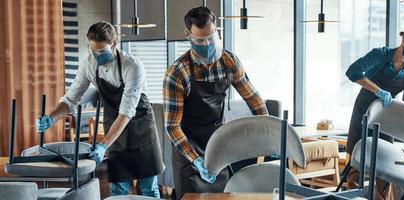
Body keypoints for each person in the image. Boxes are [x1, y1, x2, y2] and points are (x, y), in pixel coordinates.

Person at [35, 21, 164, 197]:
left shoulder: (133, 66)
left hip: (141, 127)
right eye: (93, 51)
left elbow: (126, 112)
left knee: (149, 189)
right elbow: (71, 98)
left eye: (102, 52)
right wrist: (51, 118)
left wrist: (103, 146)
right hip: (115, 129)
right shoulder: (88, 65)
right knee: (118, 188)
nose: (97, 56)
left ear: (114, 45)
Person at [163, 6, 268, 199]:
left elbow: (253, 99)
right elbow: (172, 127)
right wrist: (196, 161)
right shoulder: (178, 73)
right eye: (200, 41)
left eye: (211, 38)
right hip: (188, 148)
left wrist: (269, 131)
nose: (208, 44)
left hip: (218, 144)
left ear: (217, 30)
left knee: (222, 197)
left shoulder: (229, 62)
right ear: (188, 36)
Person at [345, 28, 404, 200]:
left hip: (387, 119)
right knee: (355, 165)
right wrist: (378, 91)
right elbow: (352, 72)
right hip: (363, 113)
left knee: (385, 168)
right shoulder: (380, 55)